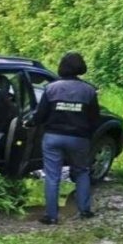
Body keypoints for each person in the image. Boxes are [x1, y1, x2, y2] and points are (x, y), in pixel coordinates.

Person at [27, 52, 100, 225]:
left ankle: (51, 216)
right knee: (82, 172)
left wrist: (30, 122)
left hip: (53, 138)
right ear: (81, 68)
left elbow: (40, 115)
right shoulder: (89, 90)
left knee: (52, 176)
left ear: (62, 67)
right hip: (79, 139)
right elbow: (94, 118)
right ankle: (85, 211)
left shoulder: (51, 88)